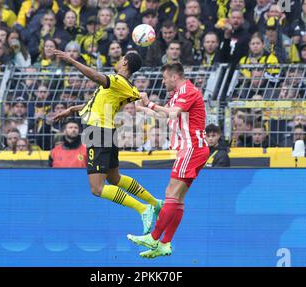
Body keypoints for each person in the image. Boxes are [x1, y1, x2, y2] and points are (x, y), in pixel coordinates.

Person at [51, 48, 163, 235]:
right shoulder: (126, 87)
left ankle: (143, 209)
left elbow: (94, 76)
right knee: (114, 178)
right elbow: (96, 103)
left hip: (98, 133)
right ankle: (155, 202)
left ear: (125, 62)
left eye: (121, 58)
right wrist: (71, 109)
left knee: (97, 188)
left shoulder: (117, 81)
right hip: (108, 132)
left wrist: (71, 60)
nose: (118, 61)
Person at [128, 63, 209, 258]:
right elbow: (164, 117)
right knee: (177, 197)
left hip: (192, 148)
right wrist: (141, 107)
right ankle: (165, 243)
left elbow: (172, 113)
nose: (163, 82)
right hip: (191, 149)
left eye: (164, 78)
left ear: (174, 77)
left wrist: (149, 104)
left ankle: (154, 237)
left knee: (171, 194)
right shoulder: (177, 95)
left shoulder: (188, 90)